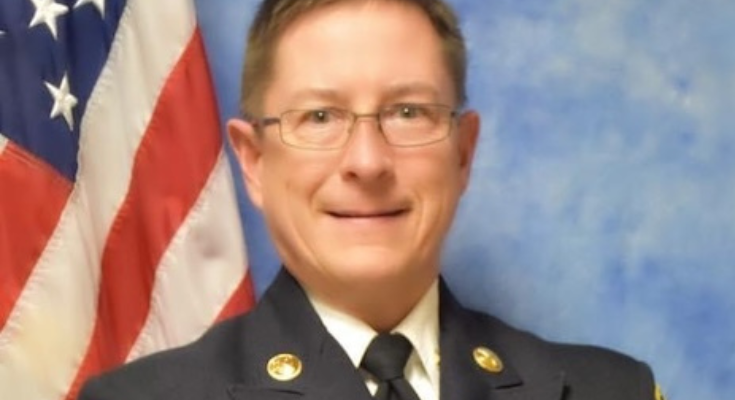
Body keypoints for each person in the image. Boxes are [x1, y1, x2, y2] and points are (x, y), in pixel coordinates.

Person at [79, 0, 665, 399]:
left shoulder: (610, 390)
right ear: (253, 162)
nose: (366, 161)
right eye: (319, 116)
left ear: (463, 154)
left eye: (408, 112)